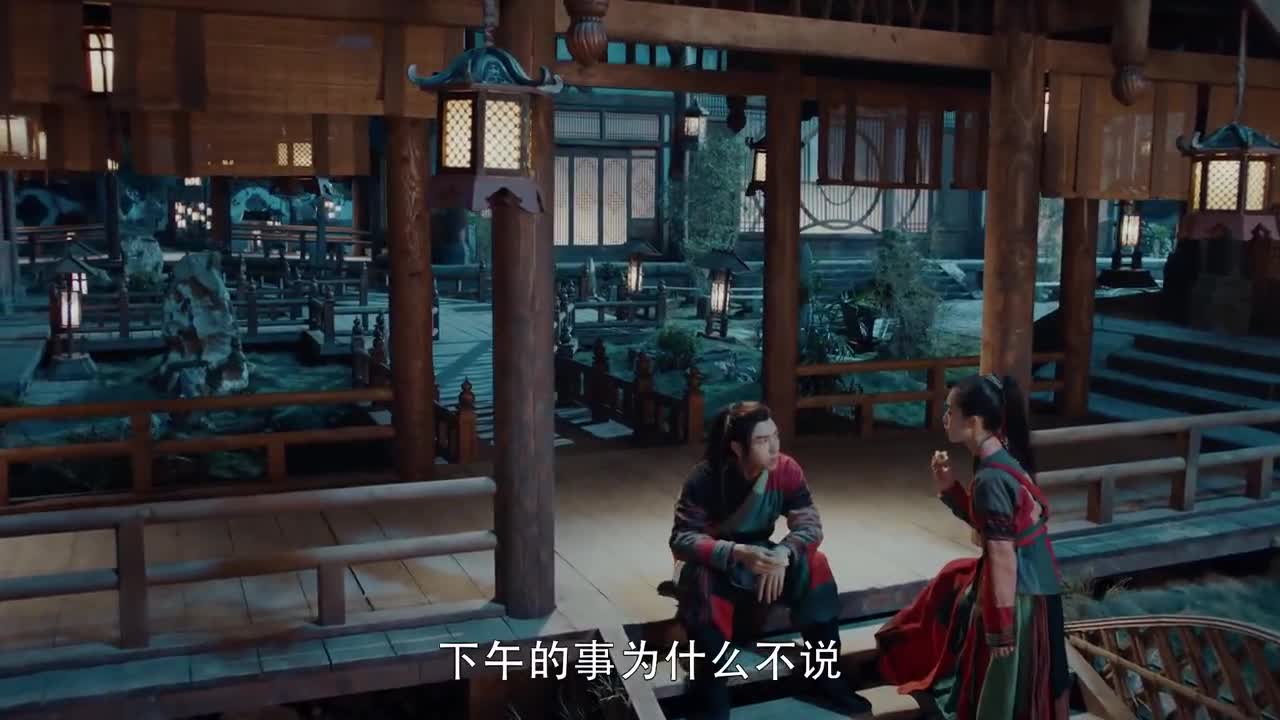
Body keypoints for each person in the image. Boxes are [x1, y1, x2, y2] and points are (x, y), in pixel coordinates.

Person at [874, 374, 1070, 719]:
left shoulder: (991, 478)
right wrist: (950, 488)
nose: (945, 417)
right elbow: (998, 529)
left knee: (1002, 683)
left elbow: (1003, 555)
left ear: (974, 422)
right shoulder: (1002, 458)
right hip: (1035, 579)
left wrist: (1001, 625)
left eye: (950, 411)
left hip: (1020, 590)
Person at [668, 401, 872, 719]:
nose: (775, 446)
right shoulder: (705, 478)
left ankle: (825, 677)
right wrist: (737, 552)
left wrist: (783, 553)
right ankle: (712, 695)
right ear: (737, 448)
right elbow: (682, 539)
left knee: (816, 565)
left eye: (775, 436)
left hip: (764, 557)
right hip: (715, 564)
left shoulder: (786, 469)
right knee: (700, 582)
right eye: (763, 440)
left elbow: (809, 525)